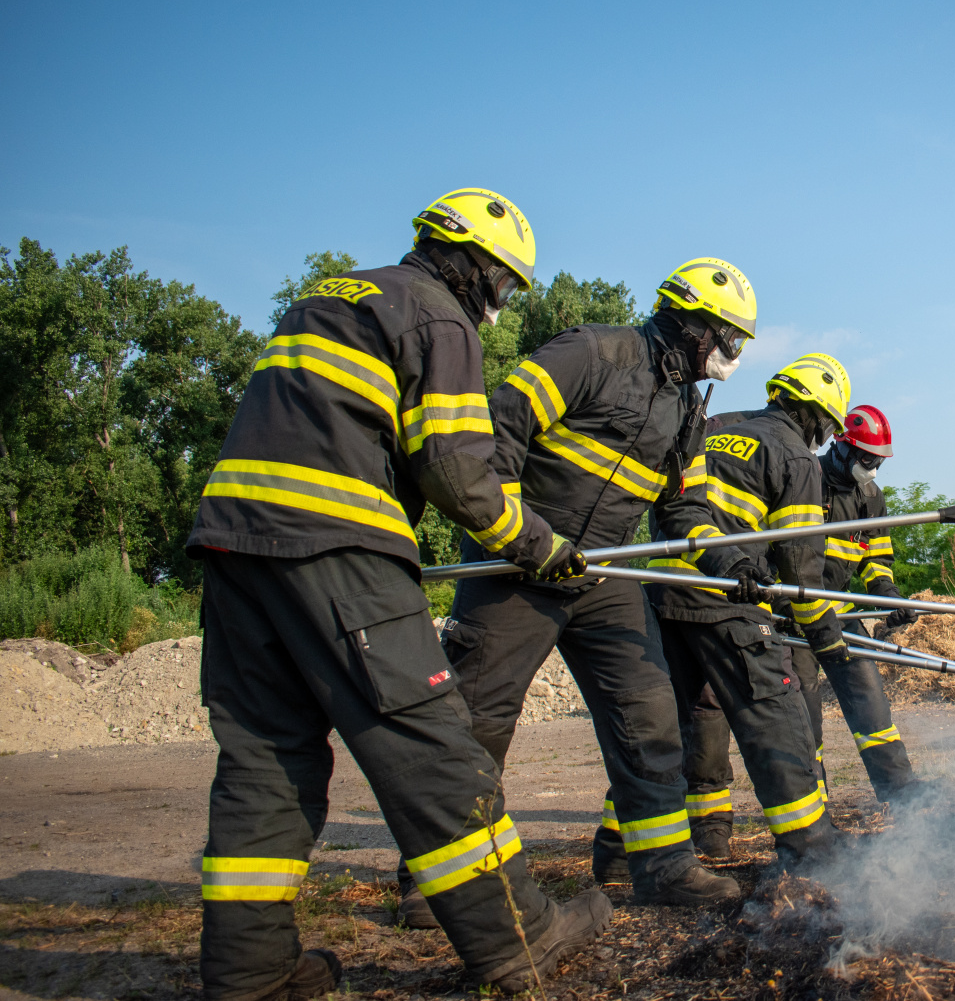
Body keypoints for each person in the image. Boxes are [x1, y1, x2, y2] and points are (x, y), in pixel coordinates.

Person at [185, 189, 611, 1000]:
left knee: (265, 761)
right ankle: (519, 937)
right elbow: (456, 471)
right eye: (506, 287)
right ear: (482, 271)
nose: (501, 305)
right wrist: (541, 546)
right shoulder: (436, 316)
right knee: (432, 749)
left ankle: (249, 974)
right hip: (340, 544)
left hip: (234, 545)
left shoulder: (330, 296)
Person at [435, 258, 764, 914]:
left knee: (650, 713)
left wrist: (731, 567)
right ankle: (442, 883)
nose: (731, 355)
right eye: (728, 338)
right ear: (693, 323)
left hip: (602, 573)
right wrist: (517, 534)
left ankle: (663, 865)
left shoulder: (689, 411)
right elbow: (500, 425)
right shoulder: (591, 351)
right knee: (476, 718)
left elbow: (686, 511)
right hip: (517, 563)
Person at [630, 353, 853, 870]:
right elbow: (802, 567)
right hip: (725, 594)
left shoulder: (718, 425)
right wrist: (826, 637)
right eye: (827, 426)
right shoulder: (795, 456)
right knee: (774, 715)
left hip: (662, 592)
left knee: (669, 726)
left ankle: (627, 854)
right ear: (817, 415)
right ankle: (812, 849)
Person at [683, 405, 922, 858]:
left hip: (843, 613)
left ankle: (904, 795)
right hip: (795, 618)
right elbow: (784, 552)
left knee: (872, 710)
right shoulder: (804, 475)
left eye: (880, 463)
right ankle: (818, 816)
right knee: (804, 724)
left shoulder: (871, 498)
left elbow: (877, 558)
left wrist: (889, 596)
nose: (872, 470)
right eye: (867, 459)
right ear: (842, 444)